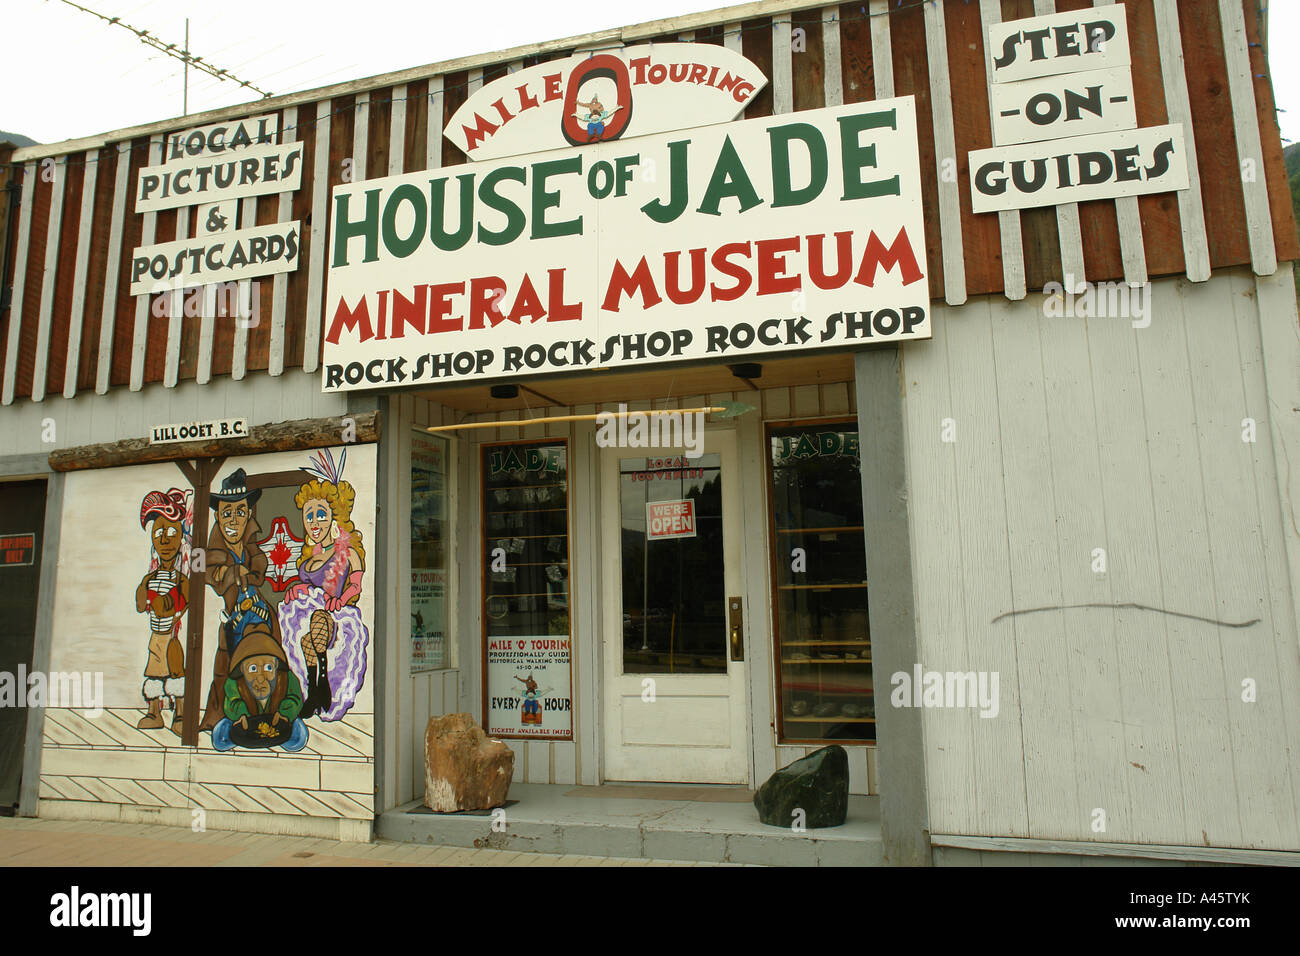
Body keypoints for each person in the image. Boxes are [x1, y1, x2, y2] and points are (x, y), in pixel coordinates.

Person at [279, 449, 369, 721]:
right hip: (310, 611)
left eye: (320, 514)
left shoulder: (346, 550)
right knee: (307, 641)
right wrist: (297, 588)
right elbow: (308, 584)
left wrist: (341, 600)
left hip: (336, 614)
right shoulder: (313, 554)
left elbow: (356, 584)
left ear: (334, 515)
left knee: (318, 625)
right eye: (309, 516)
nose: (314, 521)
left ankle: (320, 689)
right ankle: (317, 689)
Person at [198, 468, 280, 733]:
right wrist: (232, 572)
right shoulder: (212, 550)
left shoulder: (250, 546)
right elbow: (206, 573)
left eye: (240, 512)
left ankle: (270, 711)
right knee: (227, 665)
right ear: (218, 516)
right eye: (227, 513)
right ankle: (223, 714)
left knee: (268, 658)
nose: (234, 519)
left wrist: (252, 571)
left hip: (257, 613)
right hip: (233, 618)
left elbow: (260, 562)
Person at [134, 489, 191, 736]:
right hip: (155, 636)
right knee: (154, 674)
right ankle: (154, 713)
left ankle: (180, 713)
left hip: (172, 635)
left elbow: (184, 599)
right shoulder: (151, 577)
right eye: (159, 533)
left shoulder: (181, 577)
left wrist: (166, 602)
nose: (165, 540)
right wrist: (145, 593)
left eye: (170, 533)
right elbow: (140, 604)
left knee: (177, 673)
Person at [211, 632, 308, 752]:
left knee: (298, 738)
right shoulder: (234, 683)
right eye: (253, 669)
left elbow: (294, 698)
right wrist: (241, 715)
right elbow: (232, 702)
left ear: (276, 665)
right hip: (246, 726)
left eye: (268, 668)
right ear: (242, 669)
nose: (261, 678)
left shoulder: (287, 678)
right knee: (220, 738)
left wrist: (285, 713)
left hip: (277, 722)